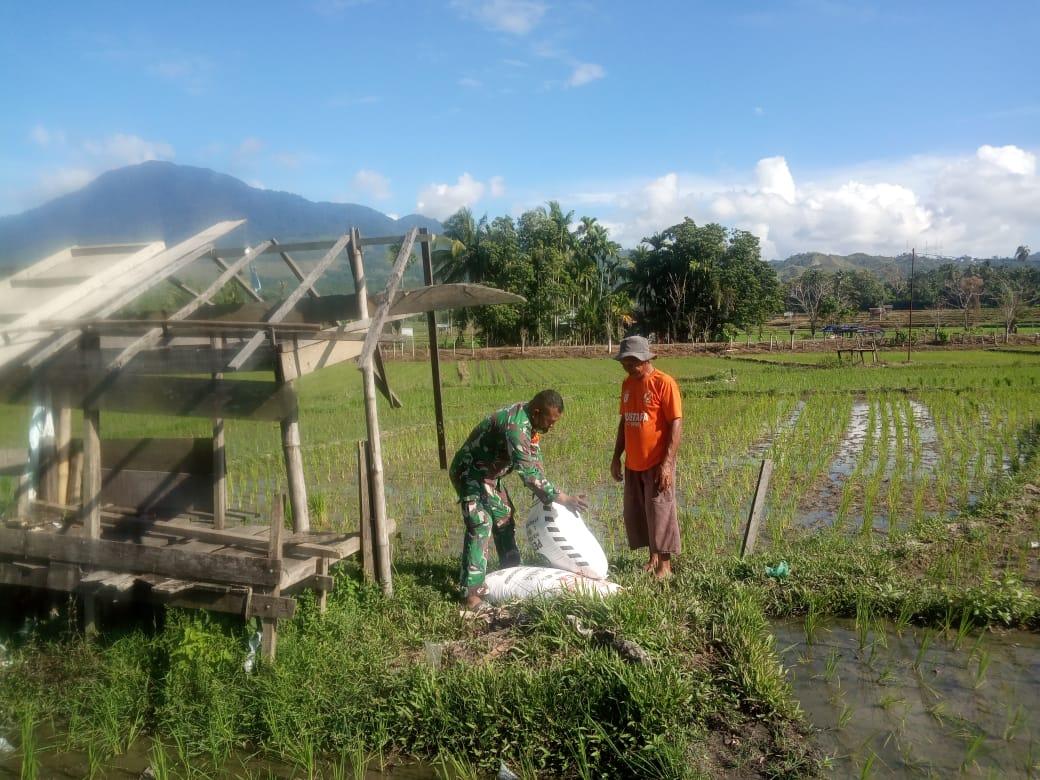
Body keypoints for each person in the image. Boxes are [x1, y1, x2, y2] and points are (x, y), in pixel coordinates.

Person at [451, 389, 588, 609]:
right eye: (549, 421)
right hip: (470, 472)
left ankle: (511, 571)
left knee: (504, 517)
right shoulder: (516, 427)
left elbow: (534, 460)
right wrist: (563, 498)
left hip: (489, 475)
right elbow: (529, 475)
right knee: (481, 523)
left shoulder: (532, 424)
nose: (551, 426)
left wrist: (545, 495)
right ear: (536, 412)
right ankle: (471, 595)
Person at [609, 335, 683, 579]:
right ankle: (652, 559)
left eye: (631, 363)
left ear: (643, 359)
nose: (627, 368)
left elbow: (675, 423)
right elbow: (624, 421)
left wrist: (668, 464)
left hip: (656, 462)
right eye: (624, 364)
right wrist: (616, 456)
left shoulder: (664, 383)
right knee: (640, 513)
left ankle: (665, 567)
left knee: (660, 512)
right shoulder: (627, 384)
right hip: (633, 463)